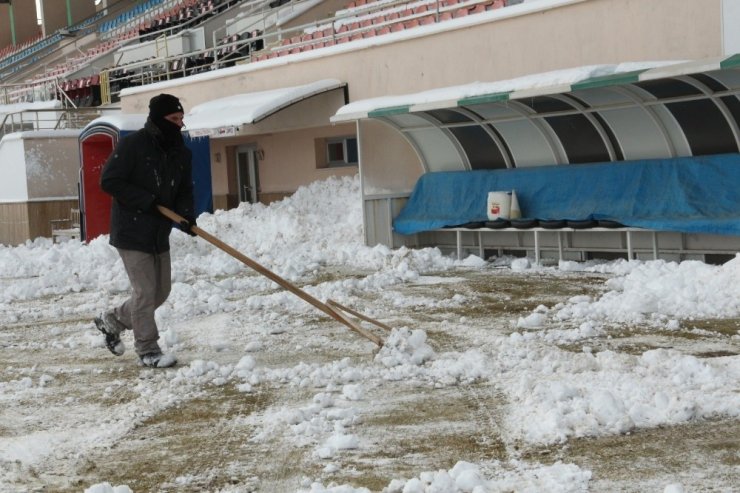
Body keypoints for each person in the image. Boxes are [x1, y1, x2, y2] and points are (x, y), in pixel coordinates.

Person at [95, 93, 197, 368]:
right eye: (173, 119)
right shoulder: (133, 146)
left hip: (158, 232)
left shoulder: (180, 152)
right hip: (131, 230)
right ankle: (148, 349)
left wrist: (187, 216)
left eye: (181, 118)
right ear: (158, 119)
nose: (179, 124)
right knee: (145, 291)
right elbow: (110, 180)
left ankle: (112, 320)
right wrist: (147, 202)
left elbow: (185, 189)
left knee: (159, 292)